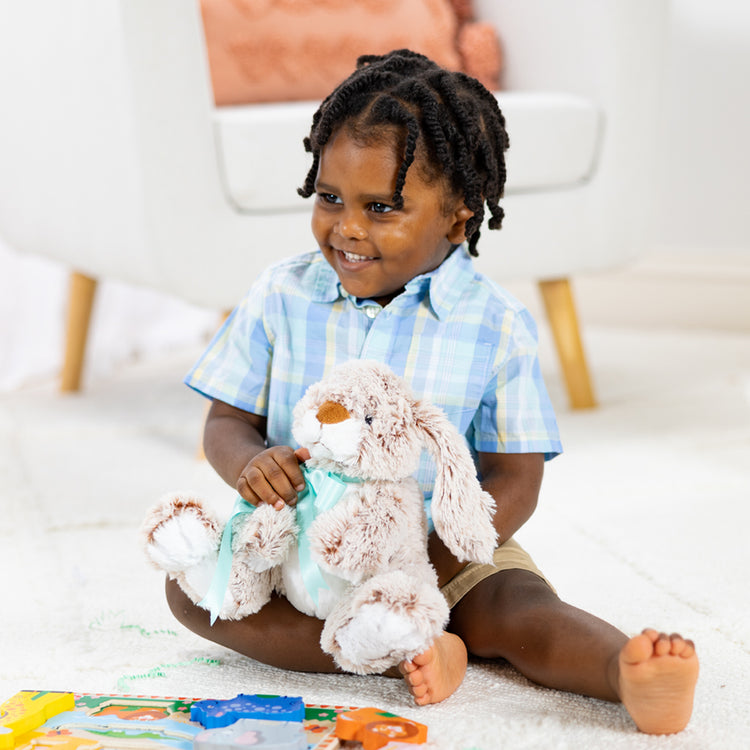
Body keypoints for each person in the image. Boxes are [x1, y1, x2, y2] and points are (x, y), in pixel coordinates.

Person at [168, 50, 698, 734]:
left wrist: (432, 557)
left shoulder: (495, 324)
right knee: (193, 598)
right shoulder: (280, 293)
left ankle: (621, 674)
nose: (347, 228)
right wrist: (248, 464)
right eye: (330, 198)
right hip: (302, 546)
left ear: (456, 217)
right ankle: (403, 654)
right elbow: (226, 421)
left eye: (381, 207)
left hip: (441, 548)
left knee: (517, 607)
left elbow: (517, 476)